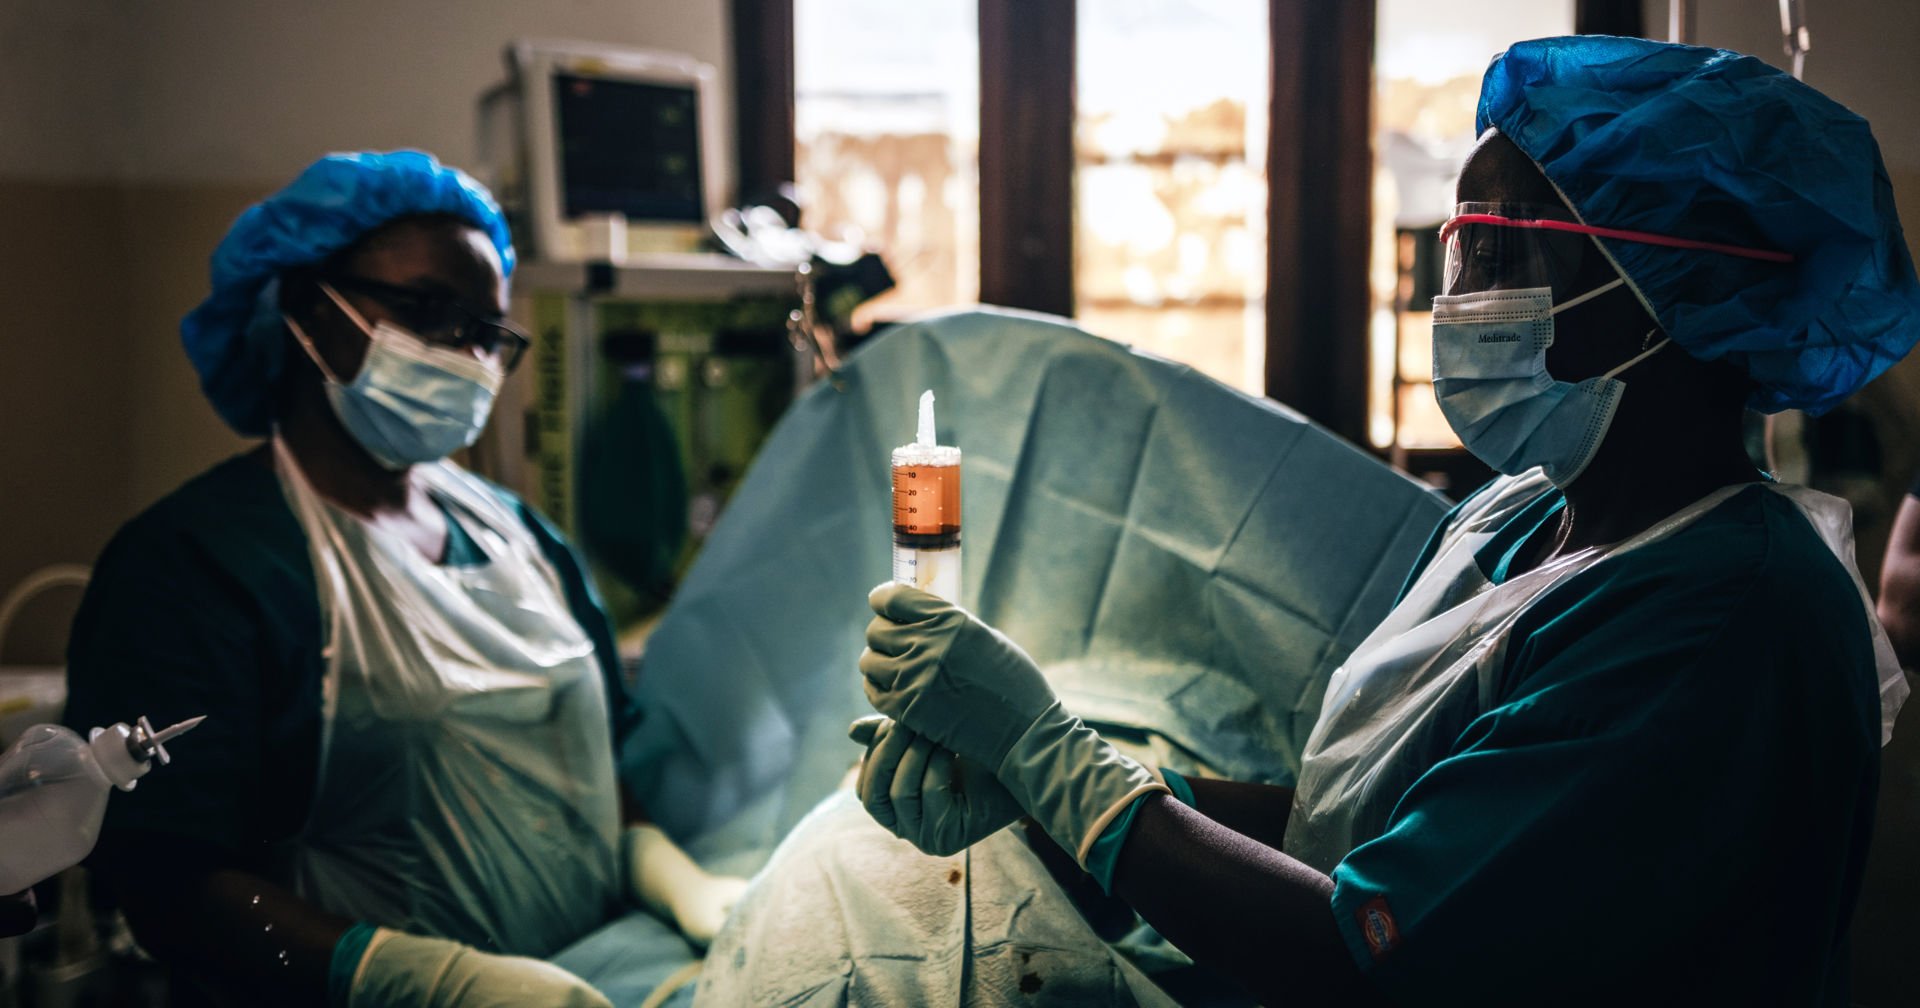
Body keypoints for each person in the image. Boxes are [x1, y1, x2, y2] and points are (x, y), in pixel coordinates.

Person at [852, 36, 1917, 1006]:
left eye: (1502, 259)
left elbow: (1362, 948)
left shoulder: (1722, 621)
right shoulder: (1524, 520)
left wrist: (1060, 765)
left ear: (1659, 295)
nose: (1454, 302)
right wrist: (1064, 790)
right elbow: (1369, 827)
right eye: (1459, 254)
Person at [62, 151, 743, 1007]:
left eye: (486, 331)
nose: (465, 353)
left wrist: (664, 871)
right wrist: (414, 981)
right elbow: (168, 886)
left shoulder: (520, 536)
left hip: (603, 974)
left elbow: (591, 764)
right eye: (428, 311)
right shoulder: (193, 568)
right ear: (308, 311)